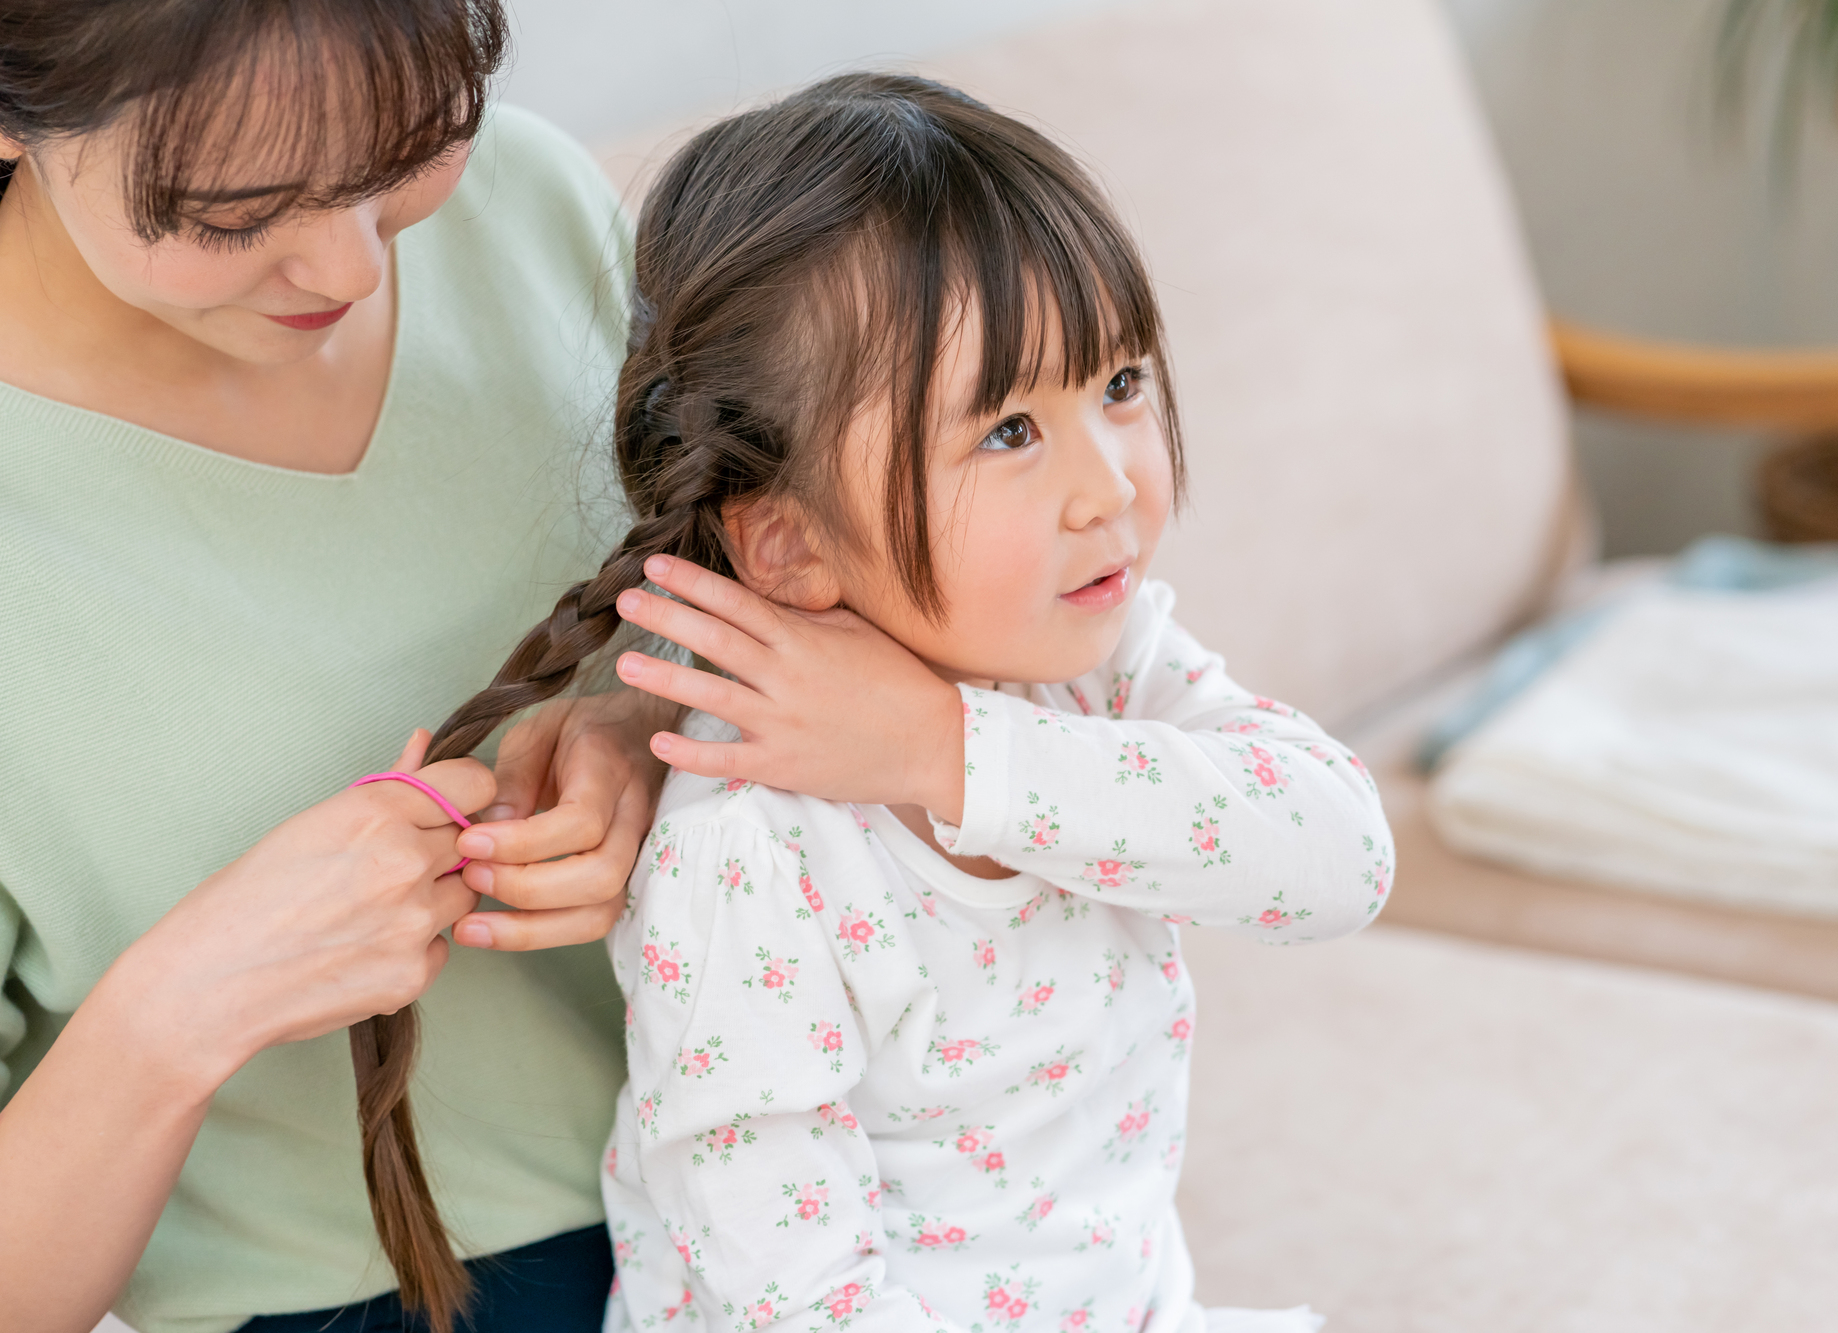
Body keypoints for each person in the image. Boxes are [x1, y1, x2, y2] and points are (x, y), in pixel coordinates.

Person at [427, 74, 1398, 1332]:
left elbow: (1339, 856)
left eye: (1116, 382)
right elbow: (787, 1298)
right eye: (1006, 431)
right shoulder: (751, 843)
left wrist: (948, 751)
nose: (1106, 486)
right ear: (783, 545)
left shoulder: (1095, 666)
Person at [0, 4, 670, 1330]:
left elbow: (739, 574)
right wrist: (184, 1005)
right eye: (235, 213)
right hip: (397, 1294)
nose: (354, 267)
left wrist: (643, 726)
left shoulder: (531, 201)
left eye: (405, 154)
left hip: (803, 1131)